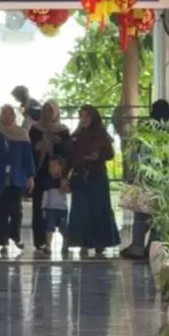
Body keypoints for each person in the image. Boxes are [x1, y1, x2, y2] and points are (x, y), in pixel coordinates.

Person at [65, 106, 121, 257]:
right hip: (80, 178)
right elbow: (69, 158)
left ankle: (99, 242)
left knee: (98, 210)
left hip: (97, 177)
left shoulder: (101, 134)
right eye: (81, 116)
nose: (84, 120)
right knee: (81, 210)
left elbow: (110, 153)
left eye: (87, 116)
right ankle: (83, 241)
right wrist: (65, 176)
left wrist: (98, 156)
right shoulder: (76, 136)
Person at [121, 99, 169, 261]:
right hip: (162, 179)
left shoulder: (143, 130)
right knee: (158, 215)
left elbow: (134, 155)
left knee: (141, 214)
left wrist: (130, 175)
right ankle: (152, 247)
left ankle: (137, 247)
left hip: (145, 177)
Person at [0, 104, 35, 257]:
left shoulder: (22, 135)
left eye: (10, 114)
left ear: (14, 116)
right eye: (4, 114)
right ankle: (2, 241)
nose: (7, 117)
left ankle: (16, 236)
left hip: (16, 177)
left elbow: (28, 157)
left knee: (16, 210)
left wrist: (31, 176)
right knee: (0, 210)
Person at [29, 99, 71, 253]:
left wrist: (58, 142)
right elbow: (30, 149)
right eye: (45, 111)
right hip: (40, 173)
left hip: (56, 174)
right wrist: (37, 147)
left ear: (56, 113)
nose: (47, 114)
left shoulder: (62, 130)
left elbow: (68, 151)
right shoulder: (35, 129)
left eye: (51, 111)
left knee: (58, 207)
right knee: (39, 206)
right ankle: (40, 241)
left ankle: (65, 237)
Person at [41, 157, 70, 250]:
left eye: (55, 165)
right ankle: (48, 245)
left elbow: (67, 191)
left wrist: (64, 184)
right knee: (49, 227)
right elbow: (45, 195)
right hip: (50, 209)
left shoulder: (64, 180)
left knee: (64, 228)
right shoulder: (47, 181)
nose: (52, 168)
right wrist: (44, 207)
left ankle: (66, 243)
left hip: (62, 209)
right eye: (50, 166)